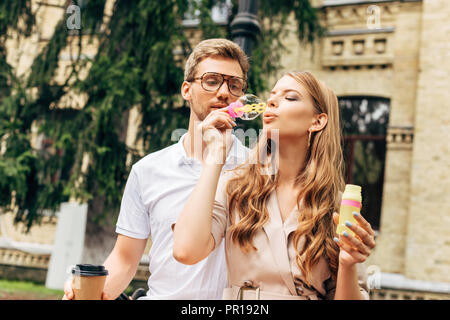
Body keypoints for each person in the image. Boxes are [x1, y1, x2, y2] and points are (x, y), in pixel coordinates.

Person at [63, 38, 250, 300]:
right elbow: (126, 258)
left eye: (234, 85)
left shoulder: (258, 169)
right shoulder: (148, 170)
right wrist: (91, 292)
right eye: (211, 80)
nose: (224, 92)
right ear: (187, 89)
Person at [173, 71, 376, 300]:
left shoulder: (335, 204)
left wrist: (347, 262)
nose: (271, 102)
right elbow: (185, 251)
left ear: (317, 121)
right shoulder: (236, 185)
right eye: (272, 96)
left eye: (290, 97)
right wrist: (214, 157)